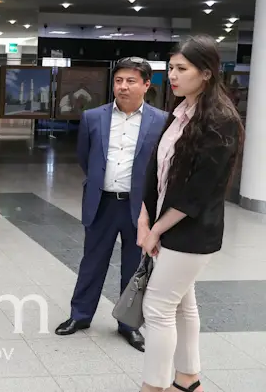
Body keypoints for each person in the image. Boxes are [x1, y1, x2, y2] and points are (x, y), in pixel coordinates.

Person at [138, 36, 244, 392]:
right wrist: (144, 219)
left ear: (206, 73)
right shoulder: (182, 111)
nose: (172, 75)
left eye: (181, 69)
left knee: (158, 306)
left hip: (192, 230)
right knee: (182, 303)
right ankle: (188, 379)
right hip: (165, 223)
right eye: (171, 68)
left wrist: (157, 229)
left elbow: (198, 191)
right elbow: (156, 170)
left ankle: (154, 386)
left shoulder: (221, 120)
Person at [56, 57, 168, 352]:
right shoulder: (93, 117)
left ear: (146, 85)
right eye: (119, 81)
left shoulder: (161, 121)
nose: (123, 86)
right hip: (102, 202)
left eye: (131, 81)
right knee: (92, 262)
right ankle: (80, 315)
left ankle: (129, 325)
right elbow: (85, 158)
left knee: (134, 266)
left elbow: (162, 165)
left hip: (139, 208)